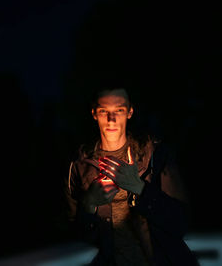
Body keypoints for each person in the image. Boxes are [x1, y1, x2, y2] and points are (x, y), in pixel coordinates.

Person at [64, 88, 199, 265]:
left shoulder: (155, 155)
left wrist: (139, 188)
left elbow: (180, 222)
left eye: (119, 110)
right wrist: (89, 204)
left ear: (130, 112)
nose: (111, 120)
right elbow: (76, 237)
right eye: (104, 111)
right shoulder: (80, 166)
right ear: (94, 114)